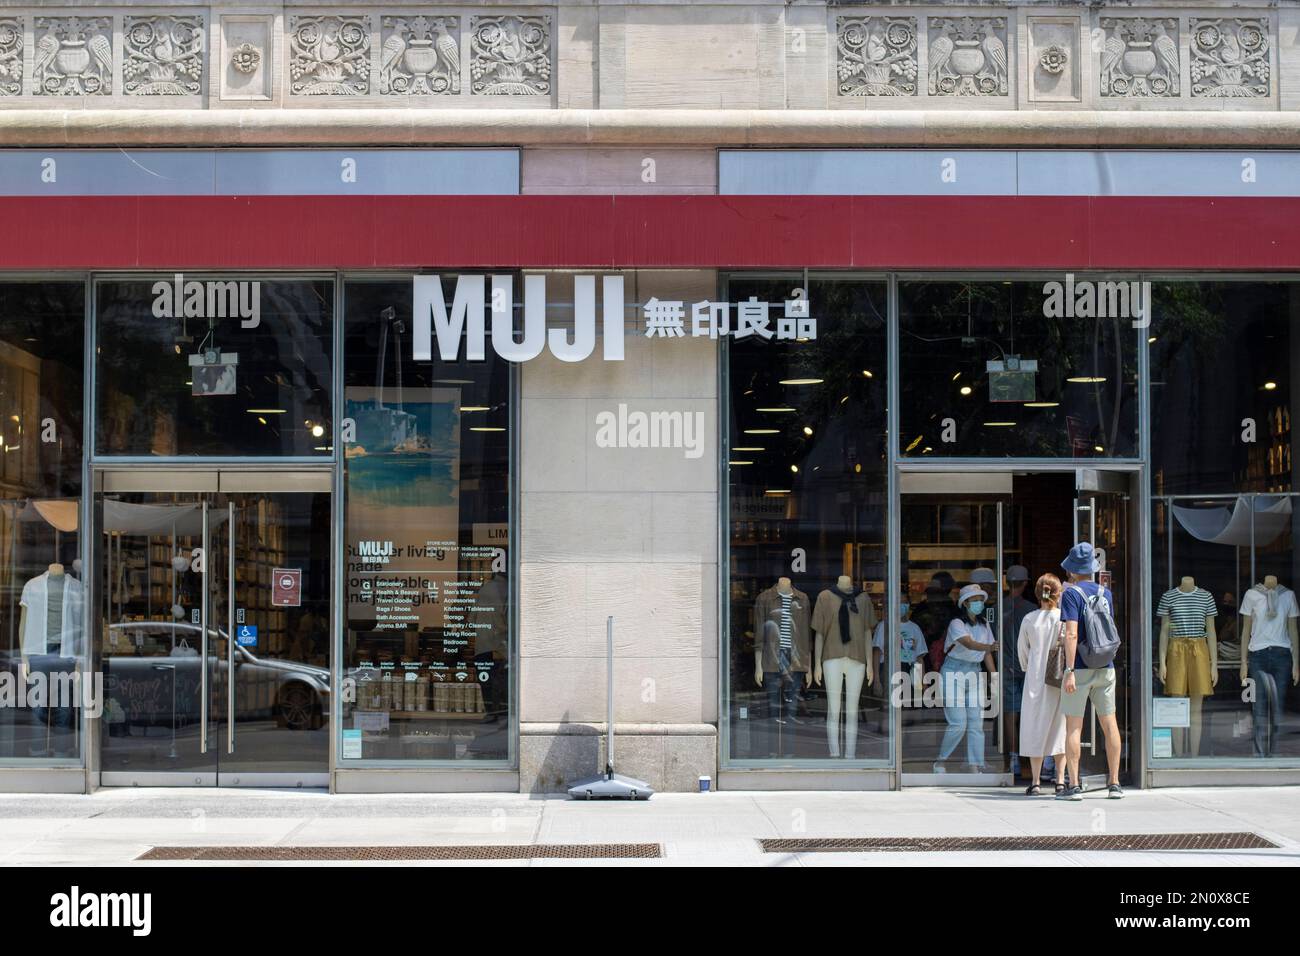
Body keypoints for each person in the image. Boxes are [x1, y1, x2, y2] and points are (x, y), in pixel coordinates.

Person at [1058, 542, 1124, 800]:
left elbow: (1072, 633)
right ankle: (1115, 783)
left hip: (1081, 667)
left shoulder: (1071, 594)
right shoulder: (1105, 593)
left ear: (1073, 571)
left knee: (1074, 726)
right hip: (1106, 667)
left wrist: (1070, 669)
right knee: (1110, 724)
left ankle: (1074, 786)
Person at [934, 583, 997, 773]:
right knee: (958, 723)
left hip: (975, 672)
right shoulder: (956, 623)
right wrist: (989, 648)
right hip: (953, 672)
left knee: (976, 723)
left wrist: (993, 676)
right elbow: (969, 644)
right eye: (974, 600)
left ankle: (975, 765)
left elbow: (987, 654)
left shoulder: (984, 624)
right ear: (965, 603)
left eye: (980, 599)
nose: (979, 603)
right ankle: (940, 761)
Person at [1018, 573, 1067, 796]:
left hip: (1036, 679)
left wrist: (1029, 667)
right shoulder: (1064, 618)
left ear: (1038, 593)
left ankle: (1035, 781)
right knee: (1060, 728)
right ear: (1058, 593)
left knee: (1034, 726)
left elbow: (1023, 653)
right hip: (1059, 678)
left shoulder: (1029, 619)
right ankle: (1059, 780)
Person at [1002, 565, 1036, 779]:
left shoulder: (997, 607)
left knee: (1010, 715)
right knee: (1032, 713)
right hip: (1029, 668)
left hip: (1006, 667)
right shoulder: (1032, 610)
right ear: (1025, 584)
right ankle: (1033, 757)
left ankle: (1013, 757)